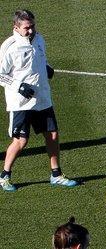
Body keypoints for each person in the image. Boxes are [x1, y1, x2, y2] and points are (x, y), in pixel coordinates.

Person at [0, 9, 78, 191]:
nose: (31, 31)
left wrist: (47, 67)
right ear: (16, 27)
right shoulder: (9, 47)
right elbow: (1, 75)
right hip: (20, 102)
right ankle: (4, 176)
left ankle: (56, 174)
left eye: (33, 26)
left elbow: (39, 59)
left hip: (42, 98)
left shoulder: (39, 39)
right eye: (27, 28)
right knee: (20, 141)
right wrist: (19, 86)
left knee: (52, 134)